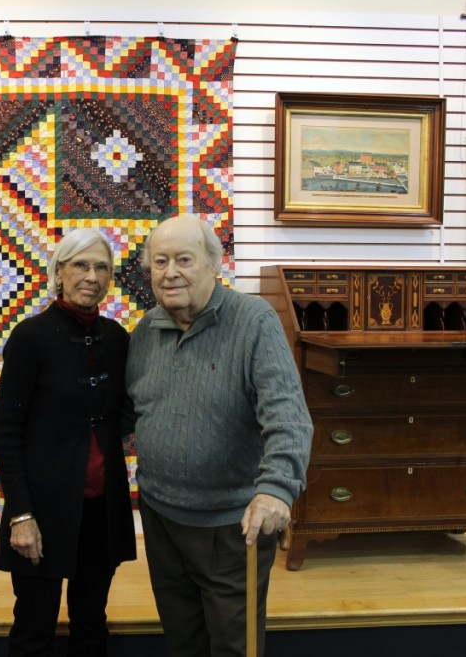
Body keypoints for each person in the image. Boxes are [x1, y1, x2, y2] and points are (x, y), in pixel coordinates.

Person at [126, 214, 313, 657]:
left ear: (215, 263)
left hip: (232, 527)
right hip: (161, 518)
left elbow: (288, 415)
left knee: (235, 645)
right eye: (160, 261)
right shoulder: (145, 330)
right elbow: (127, 412)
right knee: (183, 641)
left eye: (184, 259)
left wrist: (276, 489)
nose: (170, 272)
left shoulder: (254, 323)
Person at [0, 227, 137, 656]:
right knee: (34, 627)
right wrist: (20, 514)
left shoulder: (117, 338)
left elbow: (128, 404)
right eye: (80, 265)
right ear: (59, 273)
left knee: (91, 624)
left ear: (110, 278)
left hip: (101, 509)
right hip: (41, 511)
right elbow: (6, 431)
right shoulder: (31, 337)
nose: (91, 276)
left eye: (101, 267)